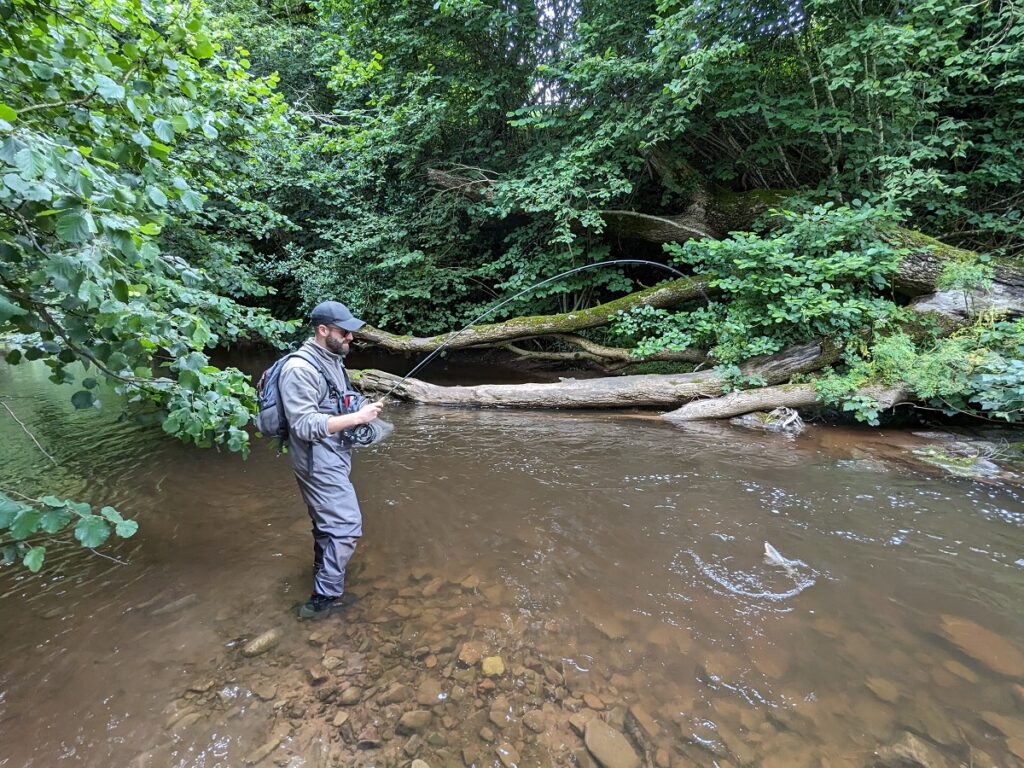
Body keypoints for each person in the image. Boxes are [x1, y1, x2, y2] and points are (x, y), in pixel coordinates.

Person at [278, 300, 384, 619]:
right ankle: (323, 599)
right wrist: (356, 418)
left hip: (332, 455)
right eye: (345, 332)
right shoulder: (299, 370)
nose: (351, 338)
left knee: (329, 526)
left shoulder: (332, 359)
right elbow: (304, 424)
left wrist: (361, 409)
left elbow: (337, 401)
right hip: (316, 460)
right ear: (323, 331)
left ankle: (323, 573)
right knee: (348, 527)